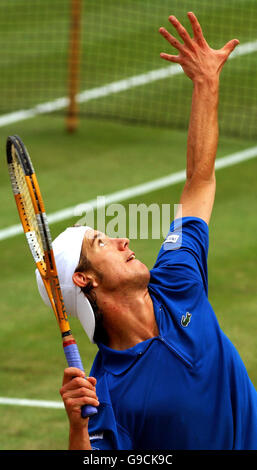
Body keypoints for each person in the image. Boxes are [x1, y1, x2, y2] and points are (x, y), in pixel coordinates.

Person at [37, 12, 257, 450]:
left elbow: (199, 182)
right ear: (85, 279)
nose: (123, 240)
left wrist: (206, 84)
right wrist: (79, 432)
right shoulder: (106, 394)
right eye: (101, 243)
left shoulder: (177, 278)